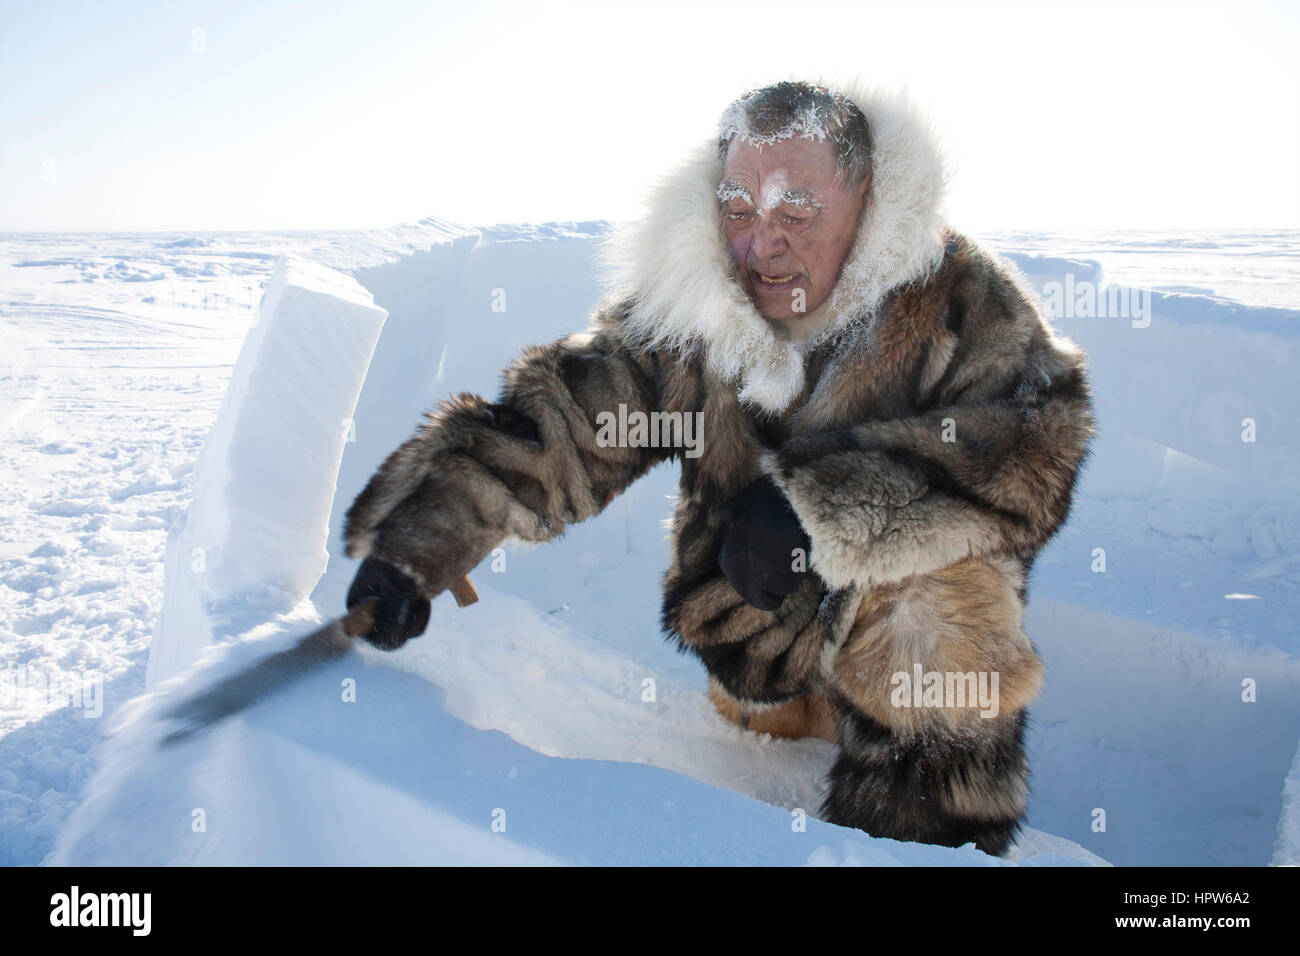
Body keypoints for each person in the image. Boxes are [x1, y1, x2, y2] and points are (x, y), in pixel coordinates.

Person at [342, 79, 1096, 856]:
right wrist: (415, 547)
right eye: (739, 208)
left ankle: (928, 836)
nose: (762, 244)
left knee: (938, 601)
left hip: (915, 654)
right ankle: (789, 713)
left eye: (796, 212)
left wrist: (816, 507)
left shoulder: (962, 294)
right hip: (760, 636)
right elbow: (564, 427)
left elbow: (1039, 441)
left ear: (865, 195)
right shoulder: (694, 307)